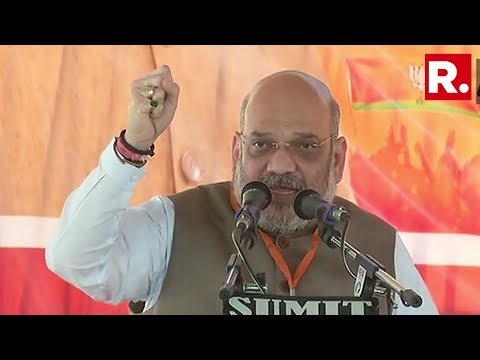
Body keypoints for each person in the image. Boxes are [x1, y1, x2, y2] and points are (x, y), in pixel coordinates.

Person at [45, 65, 439, 315]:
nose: (281, 165)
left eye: (305, 146)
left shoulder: (376, 245)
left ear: (336, 158)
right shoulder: (174, 225)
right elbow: (75, 259)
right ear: (237, 151)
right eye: (261, 143)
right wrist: (130, 149)